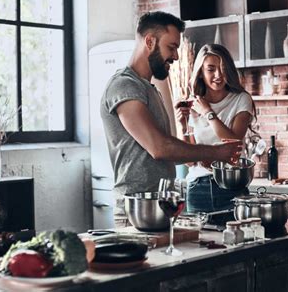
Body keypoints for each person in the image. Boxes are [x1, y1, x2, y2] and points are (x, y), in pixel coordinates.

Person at [100, 12, 243, 219]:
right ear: (150, 41)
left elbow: (163, 155)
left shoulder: (149, 89)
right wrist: (215, 153)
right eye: (172, 47)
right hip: (138, 209)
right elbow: (160, 148)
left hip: (160, 204)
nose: (176, 56)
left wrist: (195, 153)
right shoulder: (124, 86)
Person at [174, 44, 257, 213]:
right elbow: (190, 161)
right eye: (211, 69)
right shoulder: (193, 103)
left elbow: (233, 143)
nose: (218, 75)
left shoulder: (241, 99)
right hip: (198, 189)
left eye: (222, 69)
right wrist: (181, 125)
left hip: (231, 187)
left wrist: (207, 113)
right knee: (201, 240)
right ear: (201, 73)